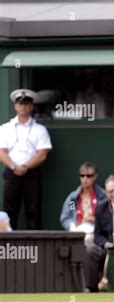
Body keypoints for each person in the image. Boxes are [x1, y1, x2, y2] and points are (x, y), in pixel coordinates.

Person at [0, 89, 53, 229]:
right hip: (12, 174)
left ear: (32, 106)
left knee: (33, 211)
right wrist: (13, 167)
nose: (23, 106)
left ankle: (35, 247)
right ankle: (8, 246)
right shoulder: (5, 128)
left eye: (26, 104)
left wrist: (26, 167)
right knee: (9, 211)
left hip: (32, 175)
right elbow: (2, 152)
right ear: (15, 106)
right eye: (20, 104)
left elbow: (42, 154)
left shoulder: (40, 129)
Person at [60, 162, 107, 245]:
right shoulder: (73, 198)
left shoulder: (103, 197)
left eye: (89, 176)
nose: (85, 178)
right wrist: (72, 227)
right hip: (76, 233)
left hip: (95, 234)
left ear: (95, 177)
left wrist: (95, 220)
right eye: (82, 175)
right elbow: (66, 217)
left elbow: (108, 218)